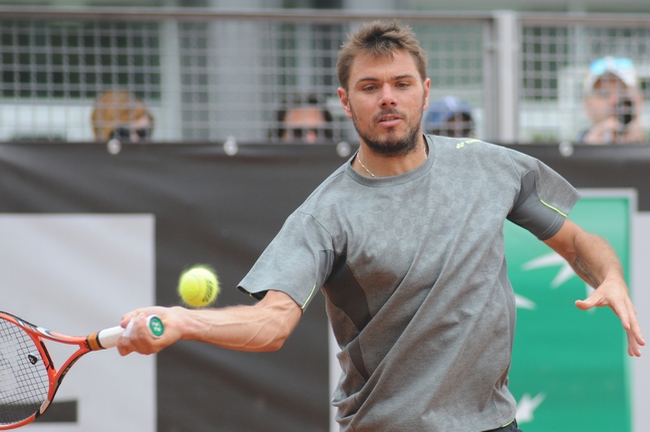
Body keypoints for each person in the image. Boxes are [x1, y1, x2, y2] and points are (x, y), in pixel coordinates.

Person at [117, 21, 645, 432]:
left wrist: (610, 276)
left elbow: (578, 241)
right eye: (370, 86)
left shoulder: (490, 167)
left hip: (493, 423)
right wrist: (182, 322)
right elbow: (270, 324)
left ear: (425, 92)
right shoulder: (323, 216)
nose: (387, 97)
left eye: (401, 83)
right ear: (346, 102)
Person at [579, 56, 646, 144]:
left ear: (639, 101)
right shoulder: (567, 152)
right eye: (604, 94)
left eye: (622, 92)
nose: (613, 101)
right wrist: (587, 153)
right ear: (587, 105)